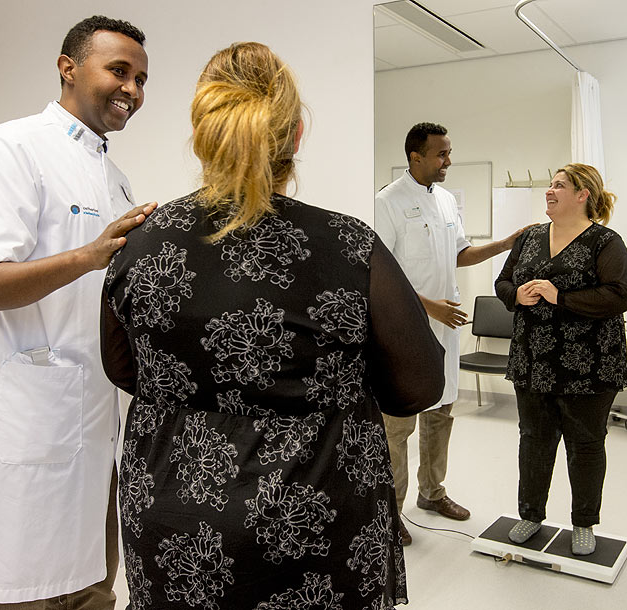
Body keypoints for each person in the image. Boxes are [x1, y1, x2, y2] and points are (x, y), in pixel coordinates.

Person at [101, 42, 444, 609]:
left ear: (204, 133)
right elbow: (418, 386)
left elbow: (122, 368)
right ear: (297, 137)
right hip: (317, 521)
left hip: (171, 522)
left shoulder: (138, 243)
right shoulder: (348, 247)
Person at [0, 16, 154, 608]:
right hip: (28, 422)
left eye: (140, 78)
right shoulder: (10, 148)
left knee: (91, 584)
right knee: (17, 585)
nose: (132, 90)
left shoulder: (116, 180)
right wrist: (89, 255)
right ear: (68, 68)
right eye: (119, 71)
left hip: (93, 424)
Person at [374, 122, 530, 544]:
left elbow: (459, 253)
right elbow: (380, 274)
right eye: (441, 154)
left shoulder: (444, 201)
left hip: (445, 328)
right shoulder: (386, 203)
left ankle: (432, 492)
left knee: (441, 414)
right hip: (405, 330)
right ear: (416, 157)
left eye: (449, 152)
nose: (448, 161)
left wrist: (505, 244)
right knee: (398, 426)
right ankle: (390, 513)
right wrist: (429, 307)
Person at [494, 163, 627, 555]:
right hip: (532, 361)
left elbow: (621, 295)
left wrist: (562, 297)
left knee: (586, 444)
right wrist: (515, 295)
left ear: (582, 194)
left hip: (588, 366)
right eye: (550, 185)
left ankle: (584, 523)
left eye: (559, 185)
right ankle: (530, 514)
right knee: (534, 440)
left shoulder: (605, 242)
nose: (549, 191)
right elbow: (503, 281)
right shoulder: (530, 238)